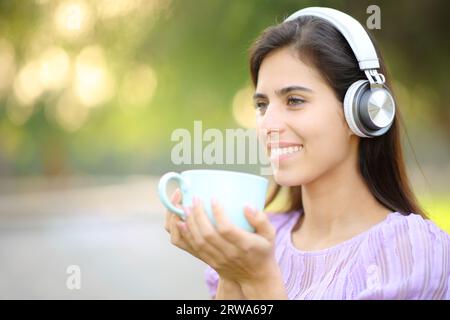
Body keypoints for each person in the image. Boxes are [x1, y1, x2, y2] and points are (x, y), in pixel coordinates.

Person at [164, 7, 450, 299]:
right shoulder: (255, 242)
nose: (268, 126)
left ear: (363, 112)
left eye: (295, 100)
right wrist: (230, 274)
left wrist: (259, 281)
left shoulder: (411, 252)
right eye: (262, 105)